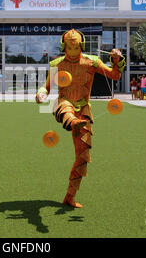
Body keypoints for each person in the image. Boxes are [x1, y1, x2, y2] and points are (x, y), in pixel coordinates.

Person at [36, 29, 126, 208]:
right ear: (64, 46)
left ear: (81, 45)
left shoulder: (92, 62)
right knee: (66, 108)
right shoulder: (56, 64)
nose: (72, 49)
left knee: (83, 156)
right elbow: (46, 87)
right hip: (64, 104)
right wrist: (41, 94)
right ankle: (72, 122)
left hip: (84, 110)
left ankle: (70, 196)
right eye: (69, 47)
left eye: (75, 46)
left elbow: (115, 75)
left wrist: (117, 60)